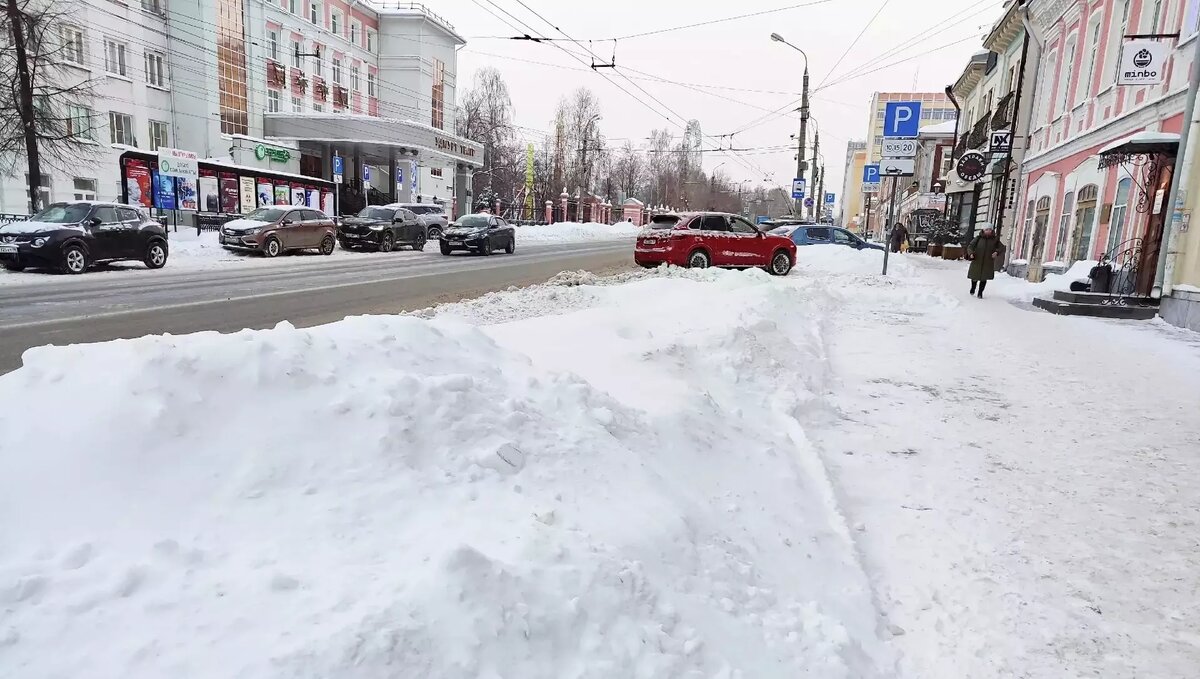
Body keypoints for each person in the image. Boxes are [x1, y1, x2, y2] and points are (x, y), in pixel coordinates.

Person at [967, 225, 1001, 298]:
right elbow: (970, 246)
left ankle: (980, 292)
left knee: (984, 278)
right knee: (974, 277)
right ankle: (973, 288)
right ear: (983, 230)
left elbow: (1001, 248)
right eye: (986, 229)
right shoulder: (978, 238)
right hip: (977, 260)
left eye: (990, 229)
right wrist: (971, 253)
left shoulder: (995, 239)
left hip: (988, 262)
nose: (988, 231)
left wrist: (997, 252)